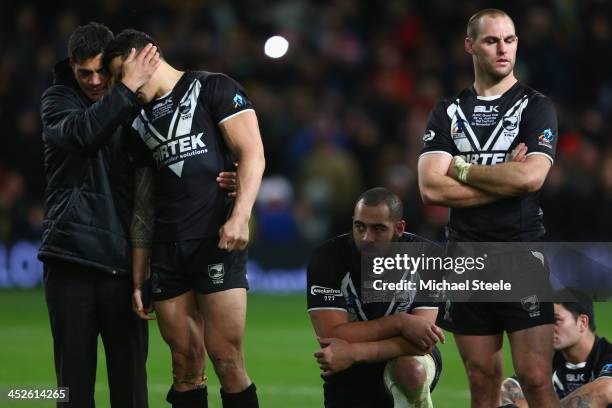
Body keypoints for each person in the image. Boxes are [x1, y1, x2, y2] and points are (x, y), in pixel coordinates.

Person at [104, 29, 265, 408]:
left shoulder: (213, 89)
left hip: (215, 241)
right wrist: (139, 269)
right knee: (184, 365)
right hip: (165, 249)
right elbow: (143, 203)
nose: (119, 86)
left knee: (227, 360)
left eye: (120, 73)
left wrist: (240, 216)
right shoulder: (135, 123)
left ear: (144, 57)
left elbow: (253, 153)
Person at [417, 8, 560, 408]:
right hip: (465, 258)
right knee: (482, 380)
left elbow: (531, 179)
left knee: (534, 379)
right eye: (491, 40)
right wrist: (503, 177)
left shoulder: (535, 107)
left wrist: (461, 167)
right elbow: (430, 186)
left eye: (510, 40)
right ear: (470, 46)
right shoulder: (447, 110)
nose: (503, 49)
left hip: (521, 253)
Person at [39, 22, 159, 407]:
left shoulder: (134, 103)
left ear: (114, 66)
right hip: (70, 260)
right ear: (71, 66)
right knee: (71, 391)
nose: (93, 81)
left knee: (131, 392)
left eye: (100, 72)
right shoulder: (57, 101)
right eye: (83, 72)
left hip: (124, 267)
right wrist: (124, 89)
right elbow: (84, 135)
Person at [307, 187, 444, 408]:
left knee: (410, 371)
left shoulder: (427, 256)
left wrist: (354, 351)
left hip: (401, 357)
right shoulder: (327, 258)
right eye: (359, 226)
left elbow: (422, 341)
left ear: (399, 228)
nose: (366, 237)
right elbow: (330, 334)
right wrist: (401, 322)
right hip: (347, 367)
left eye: (378, 229)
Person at [501, 301, 612, 408]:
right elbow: (508, 387)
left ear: (582, 322)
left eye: (556, 320)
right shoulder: (547, 359)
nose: (547, 328)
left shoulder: (607, 355)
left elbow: (604, 391)